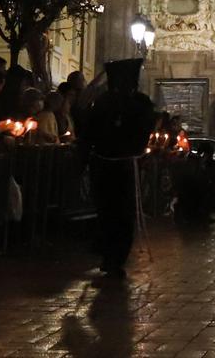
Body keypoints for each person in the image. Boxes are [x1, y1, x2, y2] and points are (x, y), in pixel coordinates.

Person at [80, 59, 155, 279]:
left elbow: (88, 132)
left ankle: (112, 257)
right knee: (115, 212)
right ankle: (112, 256)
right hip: (113, 164)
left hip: (112, 164)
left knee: (114, 212)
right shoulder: (125, 103)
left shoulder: (111, 102)